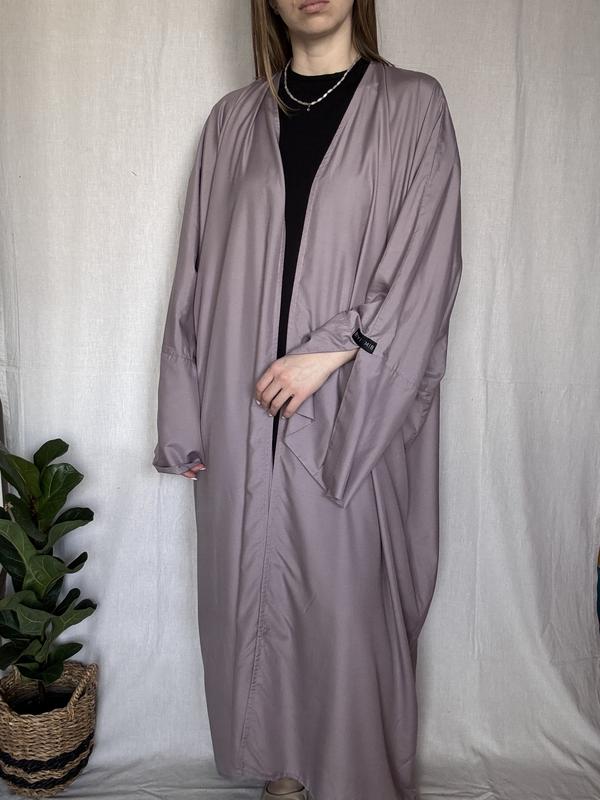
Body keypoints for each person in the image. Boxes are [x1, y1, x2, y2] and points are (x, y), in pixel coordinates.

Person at [152, 1, 463, 799]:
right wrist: (185, 419)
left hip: (354, 408)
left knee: (345, 601)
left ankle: (355, 776)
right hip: (242, 409)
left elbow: (427, 266)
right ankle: (284, 766)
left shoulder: (413, 106)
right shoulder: (231, 123)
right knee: (256, 591)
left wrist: (332, 350)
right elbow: (193, 277)